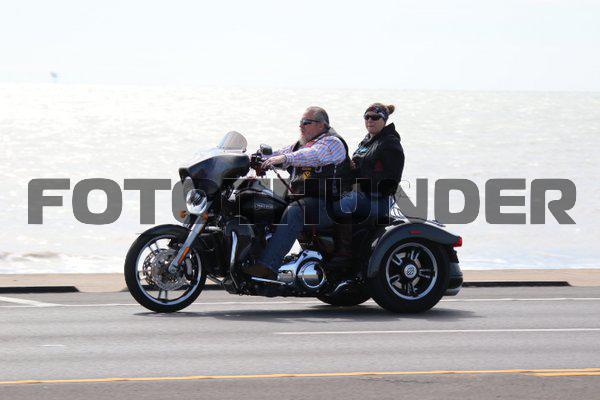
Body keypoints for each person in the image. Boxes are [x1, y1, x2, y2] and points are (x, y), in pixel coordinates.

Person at [242, 106, 352, 279]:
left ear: (321, 125)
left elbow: (313, 155)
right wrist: (248, 159)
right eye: (301, 122)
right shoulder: (302, 144)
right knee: (265, 203)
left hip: (329, 204)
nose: (301, 126)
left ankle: (268, 266)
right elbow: (279, 153)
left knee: (295, 211)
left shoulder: (333, 143)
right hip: (307, 201)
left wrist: (285, 159)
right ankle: (251, 257)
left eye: (306, 122)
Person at [328, 103, 405, 268]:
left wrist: (360, 180)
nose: (370, 120)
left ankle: (344, 254)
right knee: (324, 201)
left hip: (377, 199)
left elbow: (391, 180)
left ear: (384, 120)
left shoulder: (390, 143)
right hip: (362, 195)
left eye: (375, 117)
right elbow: (357, 169)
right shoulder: (366, 142)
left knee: (344, 204)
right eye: (367, 117)